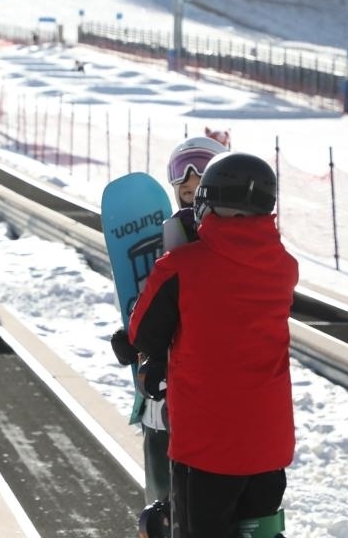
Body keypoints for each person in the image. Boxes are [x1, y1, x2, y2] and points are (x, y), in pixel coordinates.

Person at [128, 152, 297, 538]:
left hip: (206, 451)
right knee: (260, 532)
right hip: (268, 447)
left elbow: (144, 333)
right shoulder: (285, 267)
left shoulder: (181, 267)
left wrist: (173, 255)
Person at [110, 136, 228, 526]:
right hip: (163, 399)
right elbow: (156, 304)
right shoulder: (171, 238)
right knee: (162, 502)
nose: (191, 184)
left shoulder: (223, 250)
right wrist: (136, 338)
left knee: (193, 510)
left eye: (200, 177)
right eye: (183, 181)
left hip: (199, 404)